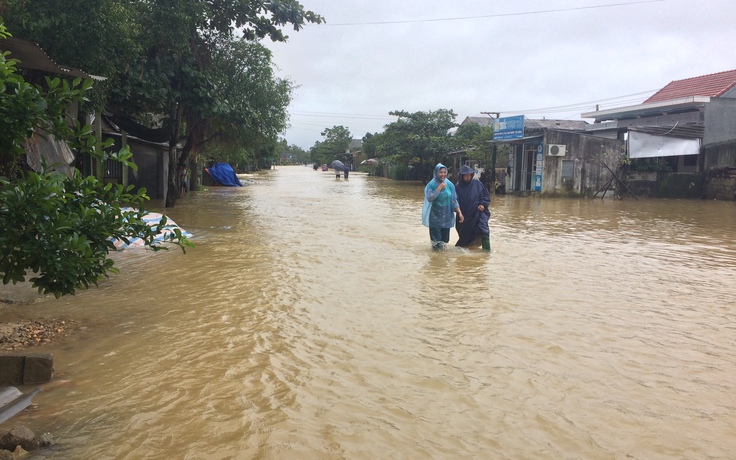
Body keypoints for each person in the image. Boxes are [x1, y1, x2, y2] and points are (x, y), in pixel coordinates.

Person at [422, 163, 464, 250]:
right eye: (440, 172)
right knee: (437, 245)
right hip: (435, 218)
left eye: (445, 172)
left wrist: (459, 212)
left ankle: (442, 262)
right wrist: (439, 188)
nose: (443, 174)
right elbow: (429, 198)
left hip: (447, 218)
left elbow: (454, 200)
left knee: (445, 242)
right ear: (436, 172)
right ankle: (436, 262)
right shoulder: (431, 185)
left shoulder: (450, 185)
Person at [454, 164, 491, 251]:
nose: (467, 177)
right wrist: (459, 212)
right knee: (465, 238)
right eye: (465, 175)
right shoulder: (457, 187)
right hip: (464, 216)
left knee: (483, 230)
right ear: (461, 176)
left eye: (469, 175)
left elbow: (485, 196)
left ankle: (487, 252)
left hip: (478, 213)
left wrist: (483, 204)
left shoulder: (477, 184)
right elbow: (454, 201)